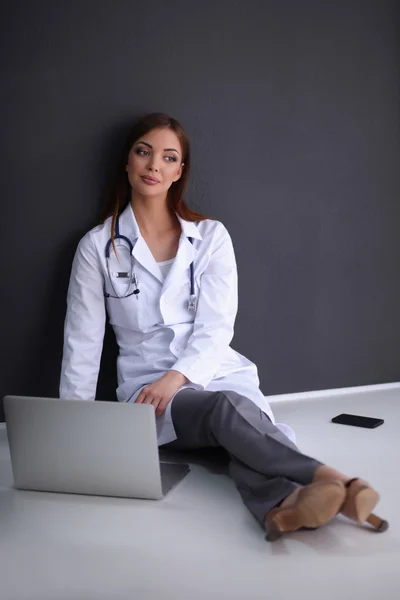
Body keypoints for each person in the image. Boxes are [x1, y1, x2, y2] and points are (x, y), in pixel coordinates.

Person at [60, 112, 388, 541]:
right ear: (128, 162)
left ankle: (283, 508)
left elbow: (216, 329)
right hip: (150, 392)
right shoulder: (98, 247)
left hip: (215, 370)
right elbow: (82, 344)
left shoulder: (211, 237)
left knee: (236, 427)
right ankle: (334, 480)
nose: (154, 165)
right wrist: (69, 432)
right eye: (144, 152)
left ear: (179, 171)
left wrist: (179, 376)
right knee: (224, 410)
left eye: (168, 157)